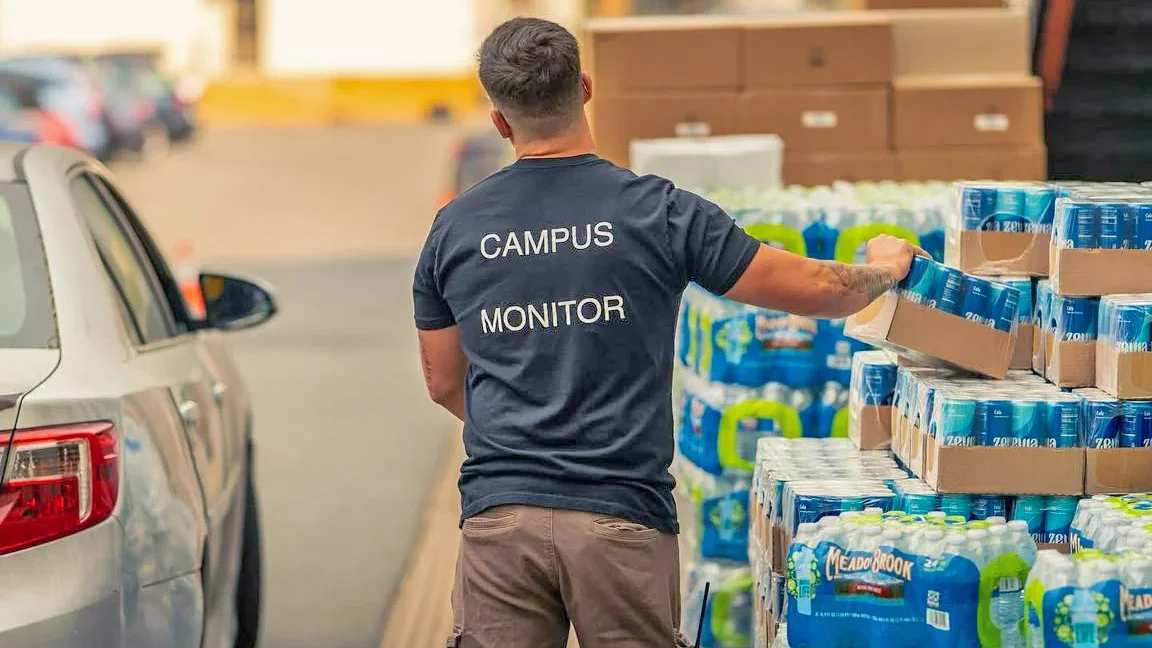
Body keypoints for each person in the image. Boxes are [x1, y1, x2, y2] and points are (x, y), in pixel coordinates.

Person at [413, 17, 923, 648]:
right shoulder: (658, 211)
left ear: (499, 120)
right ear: (587, 88)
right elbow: (817, 291)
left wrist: (523, 429)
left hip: (499, 513)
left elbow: (442, 380)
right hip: (620, 517)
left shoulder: (454, 229)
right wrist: (885, 268)